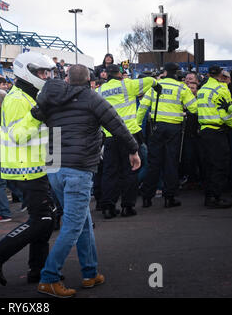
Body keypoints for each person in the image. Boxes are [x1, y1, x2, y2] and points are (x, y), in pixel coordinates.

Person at [35, 64, 140, 298]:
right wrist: (133, 149)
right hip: (78, 168)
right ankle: (49, 277)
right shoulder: (92, 98)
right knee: (73, 225)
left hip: (54, 168)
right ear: (90, 81)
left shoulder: (53, 98)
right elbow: (117, 124)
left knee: (82, 221)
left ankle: (90, 272)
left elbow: (37, 115)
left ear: (67, 79)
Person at [0, 52, 56, 286]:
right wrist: (37, 115)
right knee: (43, 219)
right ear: (27, 72)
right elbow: (17, 136)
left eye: (47, 72)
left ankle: (38, 271)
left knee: (45, 220)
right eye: (42, 72)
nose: (46, 76)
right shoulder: (16, 99)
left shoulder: (30, 95)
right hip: (25, 166)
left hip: (37, 165)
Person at [96, 64, 159, 219]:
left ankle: (108, 208)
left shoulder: (99, 91)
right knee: (130, 170)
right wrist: (157, 85)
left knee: (110, 172)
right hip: (128, 136)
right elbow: (150, 80)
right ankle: (127, 207)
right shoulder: (128, 84)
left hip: (110, 137)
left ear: (106, 75)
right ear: (120, 73)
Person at [137, 63, 198, 208]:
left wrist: (138, 125)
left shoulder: (155, 86)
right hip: (174, 129)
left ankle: (147, 197)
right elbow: (194, 108)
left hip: (156, 128)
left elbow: (143, 107)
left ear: (164, 72)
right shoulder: (181, 87)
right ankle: (169, 197)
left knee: (154, 163)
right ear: (176, 73)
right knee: (171, 162)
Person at [197, 65, 232, 208]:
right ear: (220, 75)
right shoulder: (222, 89)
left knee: (208, 166)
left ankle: (208, 196)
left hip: (204, 131)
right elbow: (226, 114)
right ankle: (215, 198)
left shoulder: (202, 90)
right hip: (218, 132)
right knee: (220, 165)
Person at [0, 88, 23, 223]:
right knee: (9, 180)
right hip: (6, 151)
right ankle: (27, 201)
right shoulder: (3, 112)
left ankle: (4, 213)